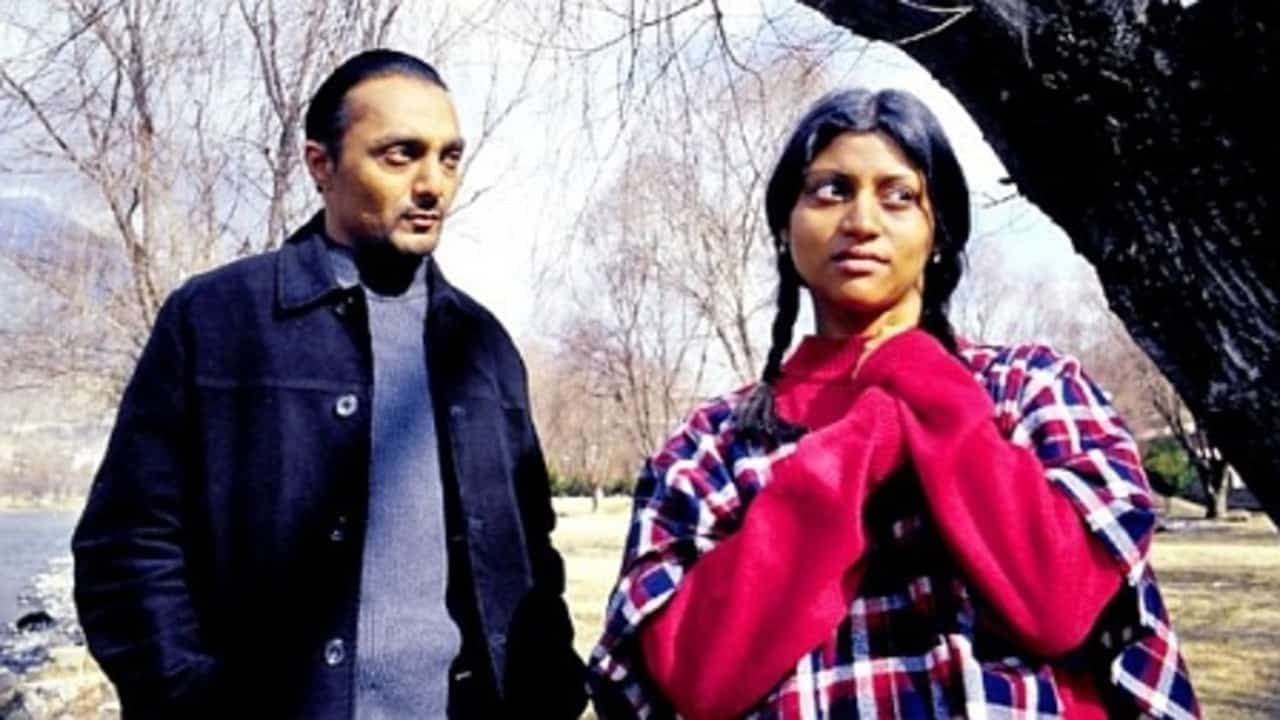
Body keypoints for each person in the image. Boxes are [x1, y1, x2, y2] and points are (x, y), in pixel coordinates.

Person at [587, 88, 1199, 719]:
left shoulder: (1033, 387)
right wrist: (862, 443)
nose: (861, 221)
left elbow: (1061, 605)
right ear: (784, 228)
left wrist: (921, 379)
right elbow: (696, 677)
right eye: (830, 190)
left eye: (899, 195)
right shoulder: (712, 443)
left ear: (939, 233)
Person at [72, 49, 586, 719]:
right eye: (400, 156)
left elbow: (530, 554)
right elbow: (126, 548)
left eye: (449, 157)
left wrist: (549, 693)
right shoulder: (218, 320)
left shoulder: (482, 347)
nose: (432, 184)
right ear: (321, 165)